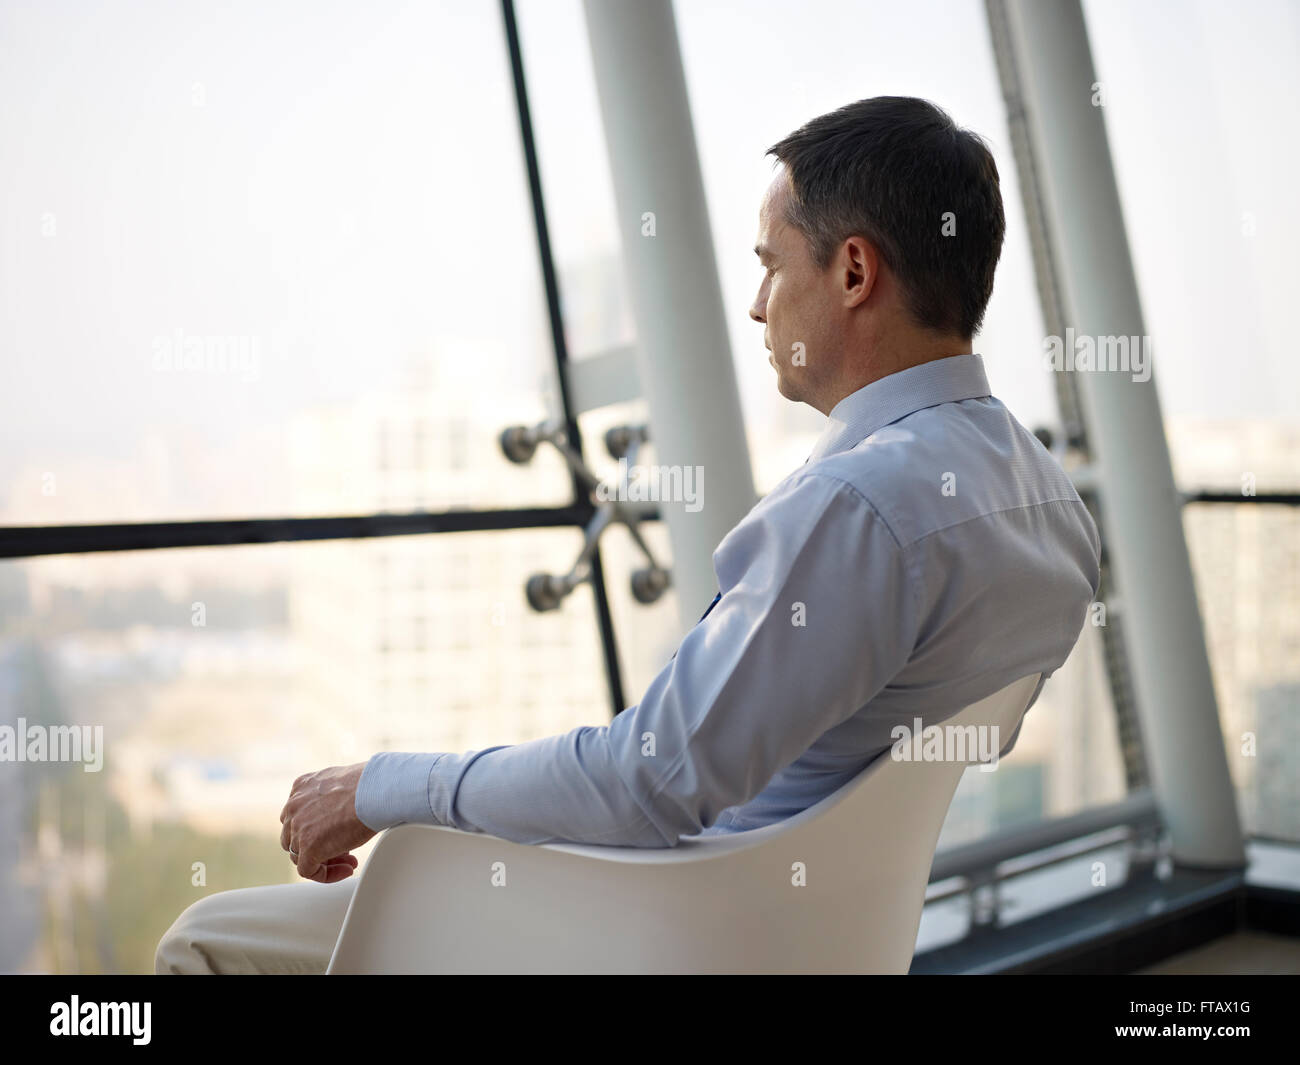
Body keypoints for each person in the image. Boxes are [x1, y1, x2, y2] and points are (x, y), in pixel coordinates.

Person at [156, 96, 1100, 974]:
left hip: (664, 932)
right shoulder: (1051, 504)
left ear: (853, 272)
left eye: (773, 264)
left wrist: (376, 785)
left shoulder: (858, 506)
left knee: (206, 939)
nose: (756, 305)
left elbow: (647, 785)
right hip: (820, 936)